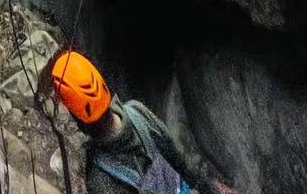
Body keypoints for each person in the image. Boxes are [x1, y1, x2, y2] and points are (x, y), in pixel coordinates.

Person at [47, 50, 240, 194]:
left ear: (79, 118)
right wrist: (212, 190)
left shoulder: (100, 179)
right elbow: (181, 163)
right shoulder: (138, 113)